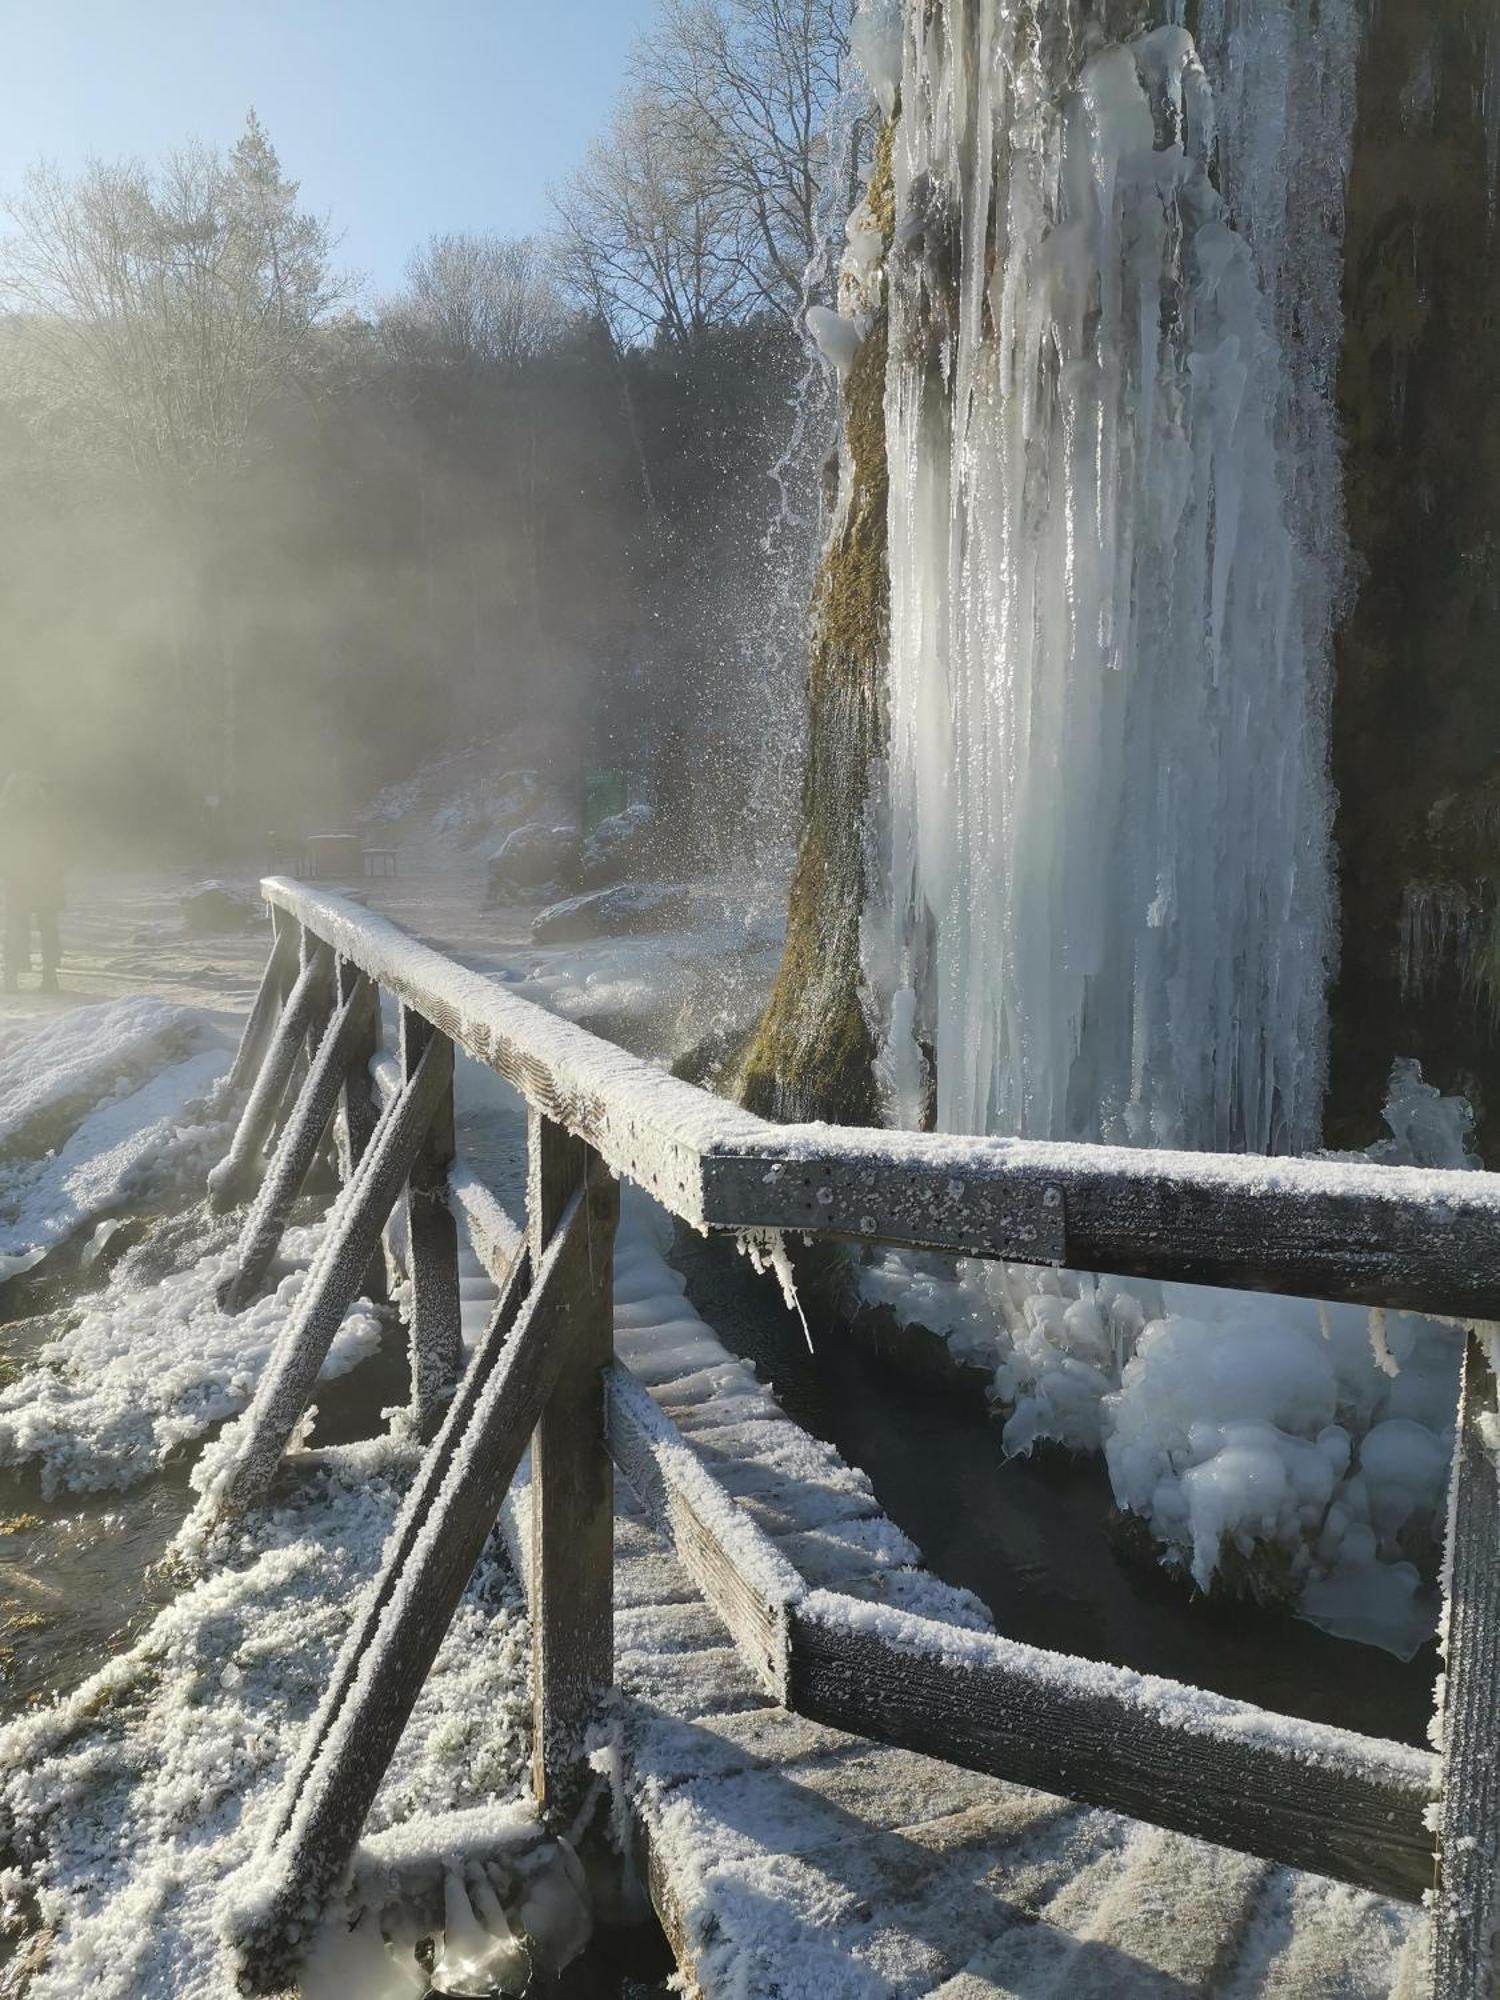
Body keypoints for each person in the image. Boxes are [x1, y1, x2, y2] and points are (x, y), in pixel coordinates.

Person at [1, 771, 65, 994]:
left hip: (23, 880)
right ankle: (48, 977)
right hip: (41, 879)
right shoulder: (46, 812)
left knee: (17, 929)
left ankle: (12, 979)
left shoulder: (8, 814)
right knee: (45, 929)